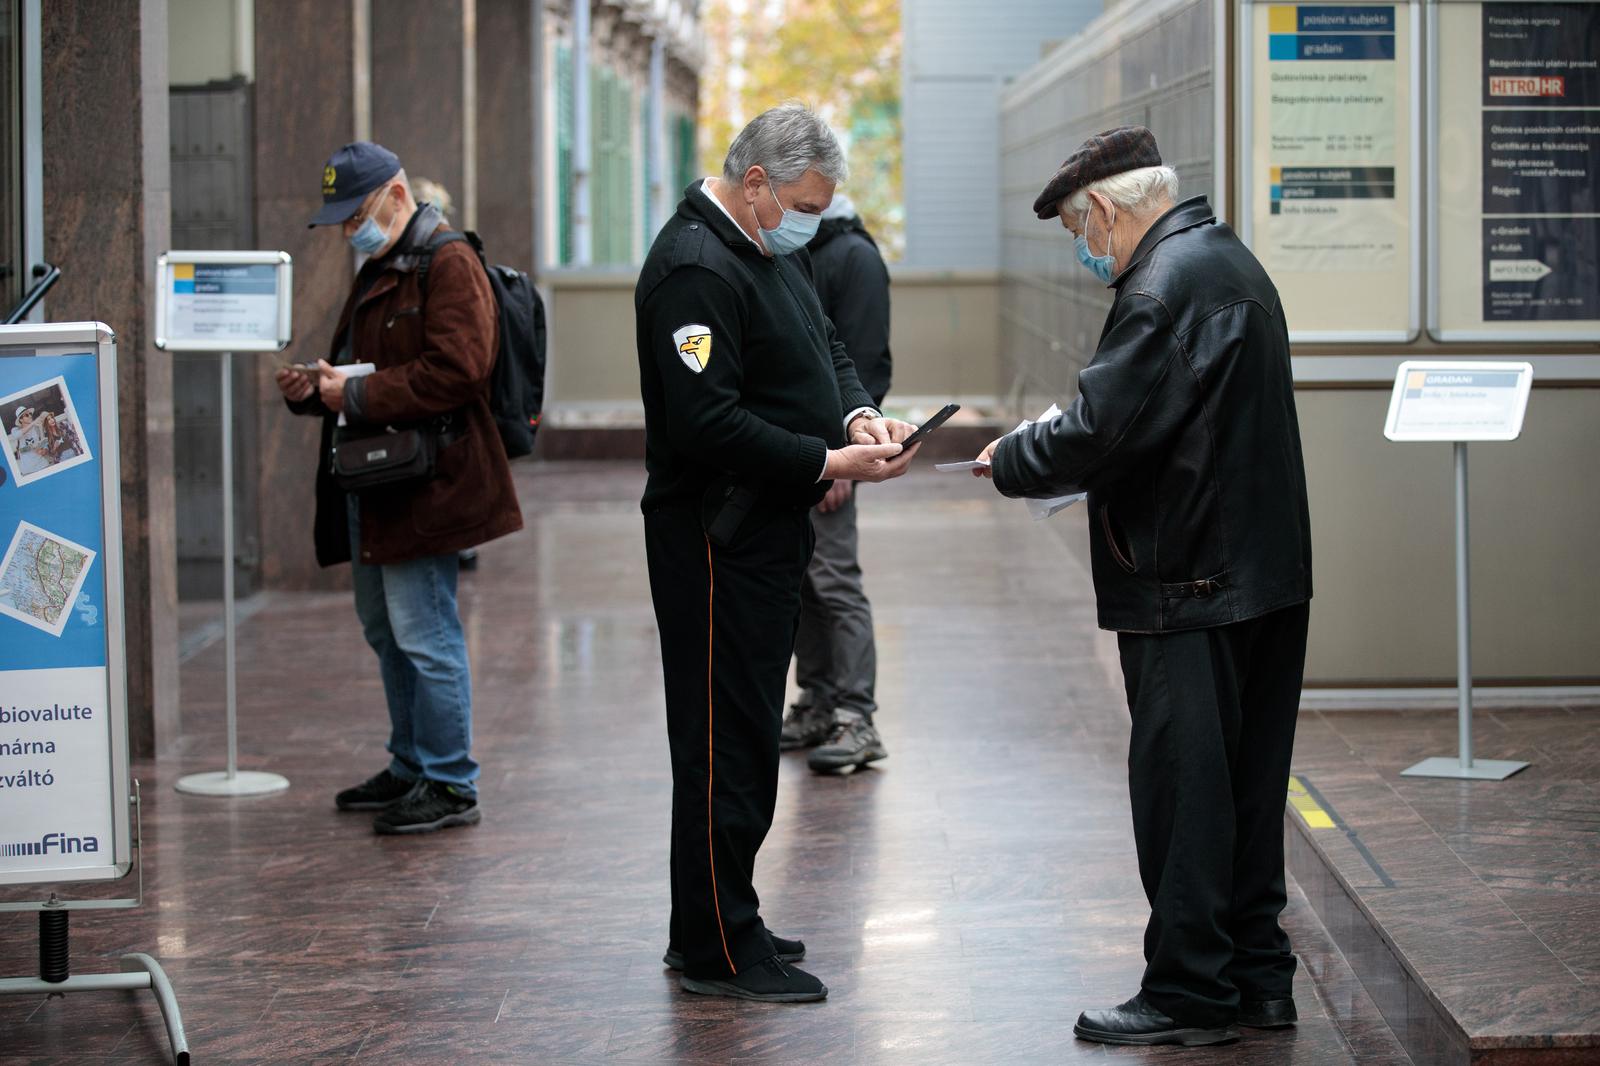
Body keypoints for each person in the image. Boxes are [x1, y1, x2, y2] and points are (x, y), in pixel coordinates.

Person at [975, 126, 1312, 1047]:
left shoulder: (1161, 287)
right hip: (1263, 575)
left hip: (1186, 579)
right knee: (1246, 787)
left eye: (1085, 230)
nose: (1089, 251)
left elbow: (1099, 431)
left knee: (1185, 792)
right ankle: (1258, 980)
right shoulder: (1228, 261)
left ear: (1113, 208)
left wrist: (1012, 459)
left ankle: (1189, 993)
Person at [636, 105, 921, 1003]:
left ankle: (724, 920)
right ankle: (719, 950)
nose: (809, 220)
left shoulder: (768, 248)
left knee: (751, 737)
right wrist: (825, 462)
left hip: (765, 530)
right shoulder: (695, 267)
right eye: (801, 202)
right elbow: (706, 419)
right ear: (754, 182)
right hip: (716, 537)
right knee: (724, 746)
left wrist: (855, 415)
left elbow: (824, 345)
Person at [276, 141, 522, 834]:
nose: (351, 230)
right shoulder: (390, 262)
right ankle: (412, 761)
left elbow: (459, 371)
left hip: (425, 482)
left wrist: (351, 397)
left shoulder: (447, 261)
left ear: (394, 193)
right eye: (342, 222)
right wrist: (321, 387)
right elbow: (380, 365)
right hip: (379, 477)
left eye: (356, 214)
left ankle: (449, 781)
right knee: (387, 629)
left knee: (425, 630)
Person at [780, 193, 895, 773]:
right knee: (806, 583)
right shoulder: (798, 248)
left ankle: (856, 715)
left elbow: (861, 362)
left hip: (834, 456)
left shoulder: (854, 257)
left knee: (834, 580)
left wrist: (843, 456)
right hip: (806, 454)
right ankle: (819, 699)